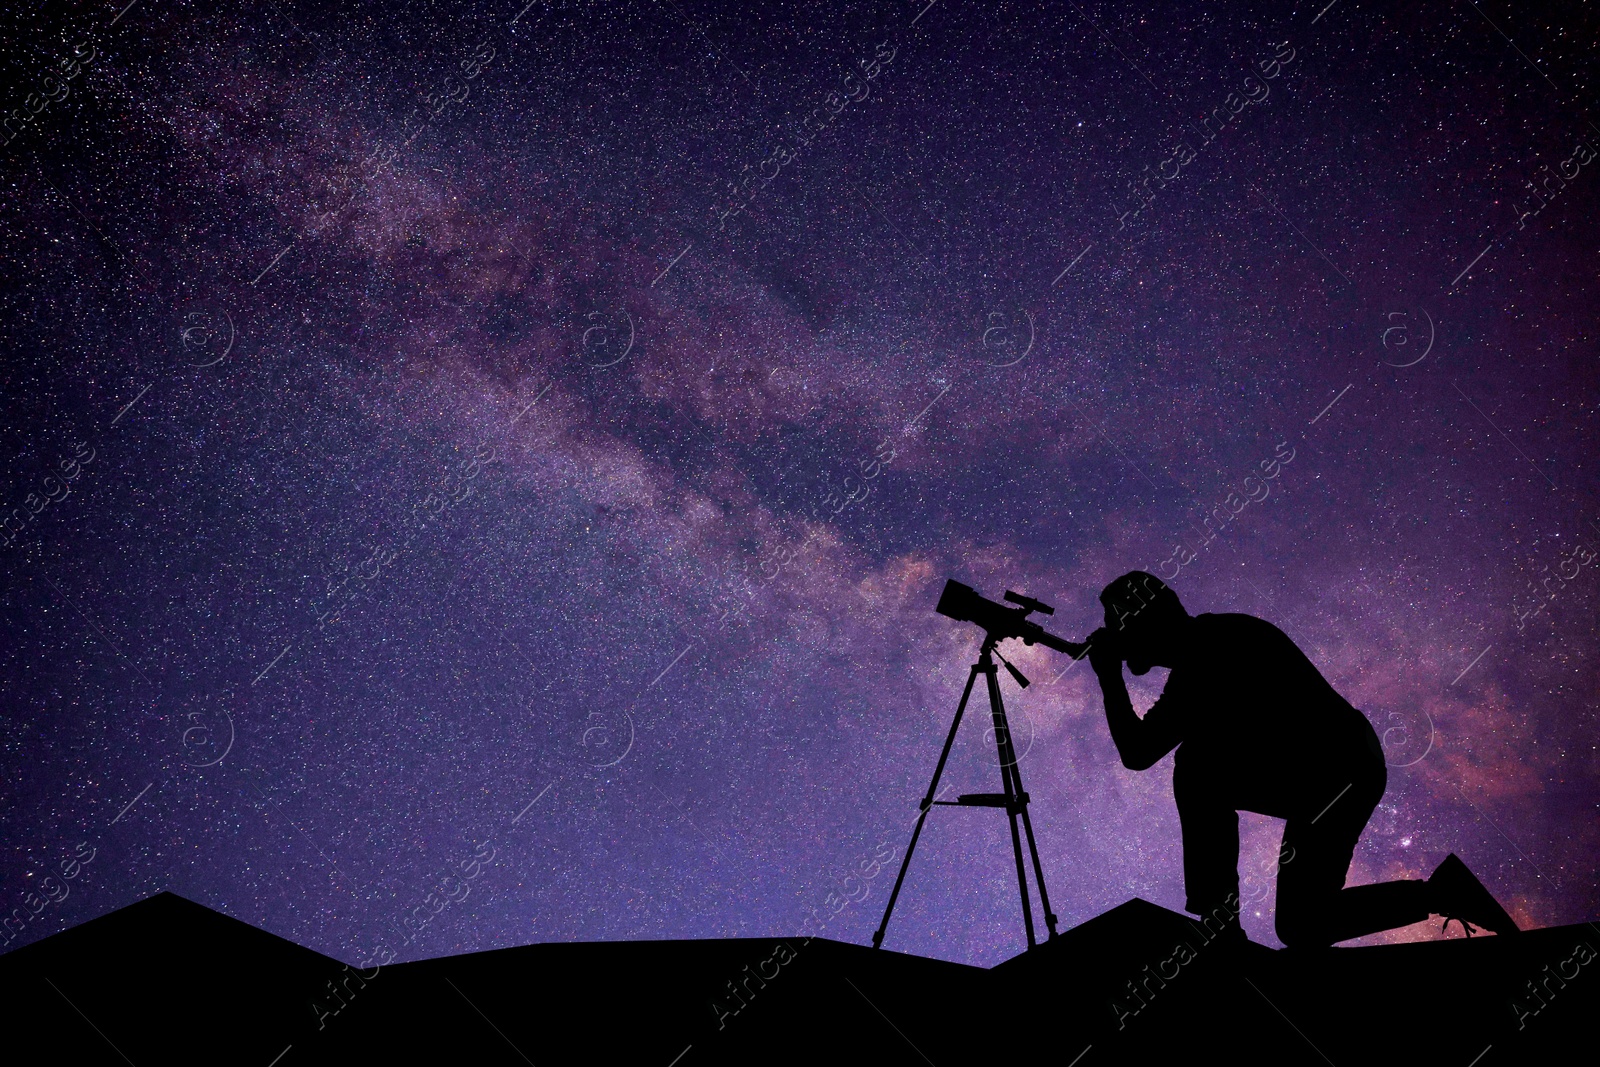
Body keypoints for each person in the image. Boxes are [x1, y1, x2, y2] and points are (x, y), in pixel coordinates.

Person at [1084, 570, 1520, 947]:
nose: (1113, 636)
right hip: (1331, 775)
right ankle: (1438, 895)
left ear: (1143, 621)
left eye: (1116, 624)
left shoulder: (1210, 649)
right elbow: (1143, 748)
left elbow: (1139, 752)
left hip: (1335, 771)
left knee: (1196, 766)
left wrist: (1109, 677)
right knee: (1302, 925)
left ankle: (1219, 926)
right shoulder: (1207, 649)